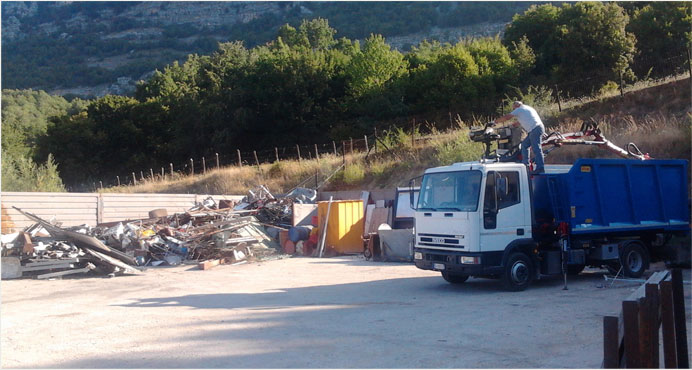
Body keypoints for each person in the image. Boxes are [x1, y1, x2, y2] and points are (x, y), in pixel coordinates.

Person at [494, 101, 545, 174]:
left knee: (536, 148)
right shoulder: (527, 108)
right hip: (535, 129)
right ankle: (525, 165)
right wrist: (514, 124)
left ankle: (540, 168)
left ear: (516, 105)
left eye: (513, 108)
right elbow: (525, 120)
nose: (513, 109)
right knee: (524, 145)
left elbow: (507, 117)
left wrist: (496, 121)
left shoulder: (519, 109)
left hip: (535, 129)